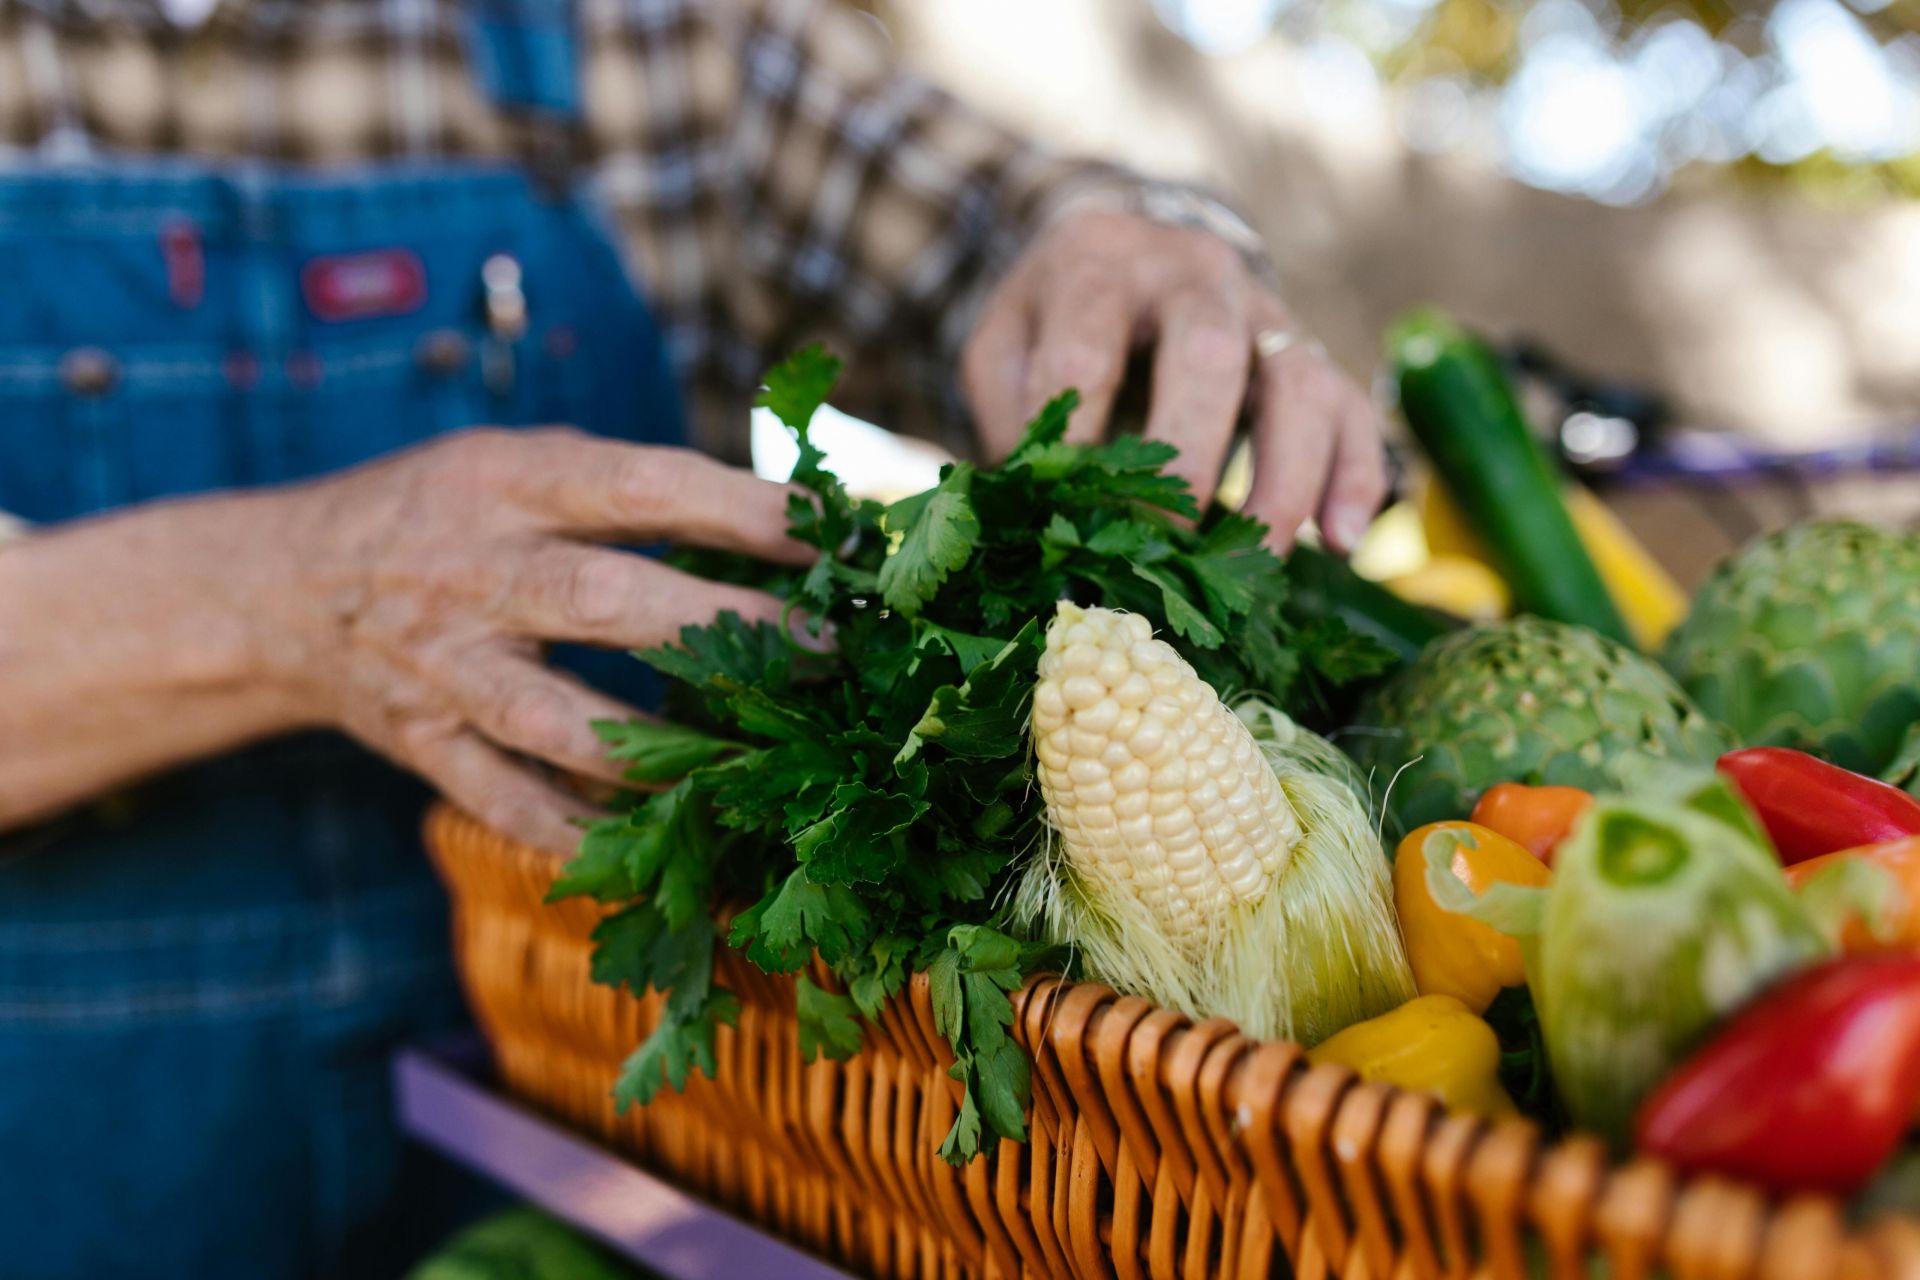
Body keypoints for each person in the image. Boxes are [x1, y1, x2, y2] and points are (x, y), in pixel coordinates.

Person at [0, 0, 1385, 1275]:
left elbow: (997, 213)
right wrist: (298, 591)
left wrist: (1130, 251)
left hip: (619, 1155)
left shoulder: (645, 33)